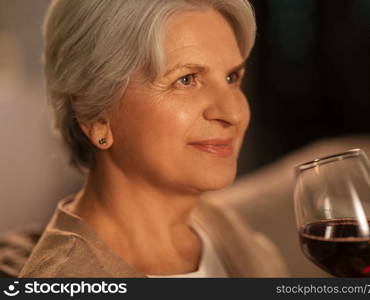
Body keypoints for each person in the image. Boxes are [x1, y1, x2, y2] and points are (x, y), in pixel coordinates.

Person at [19, 0, 288, 277]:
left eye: (232, 77)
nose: (233, 113)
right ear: (96, 118)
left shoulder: (231, 234)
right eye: (186, 79)